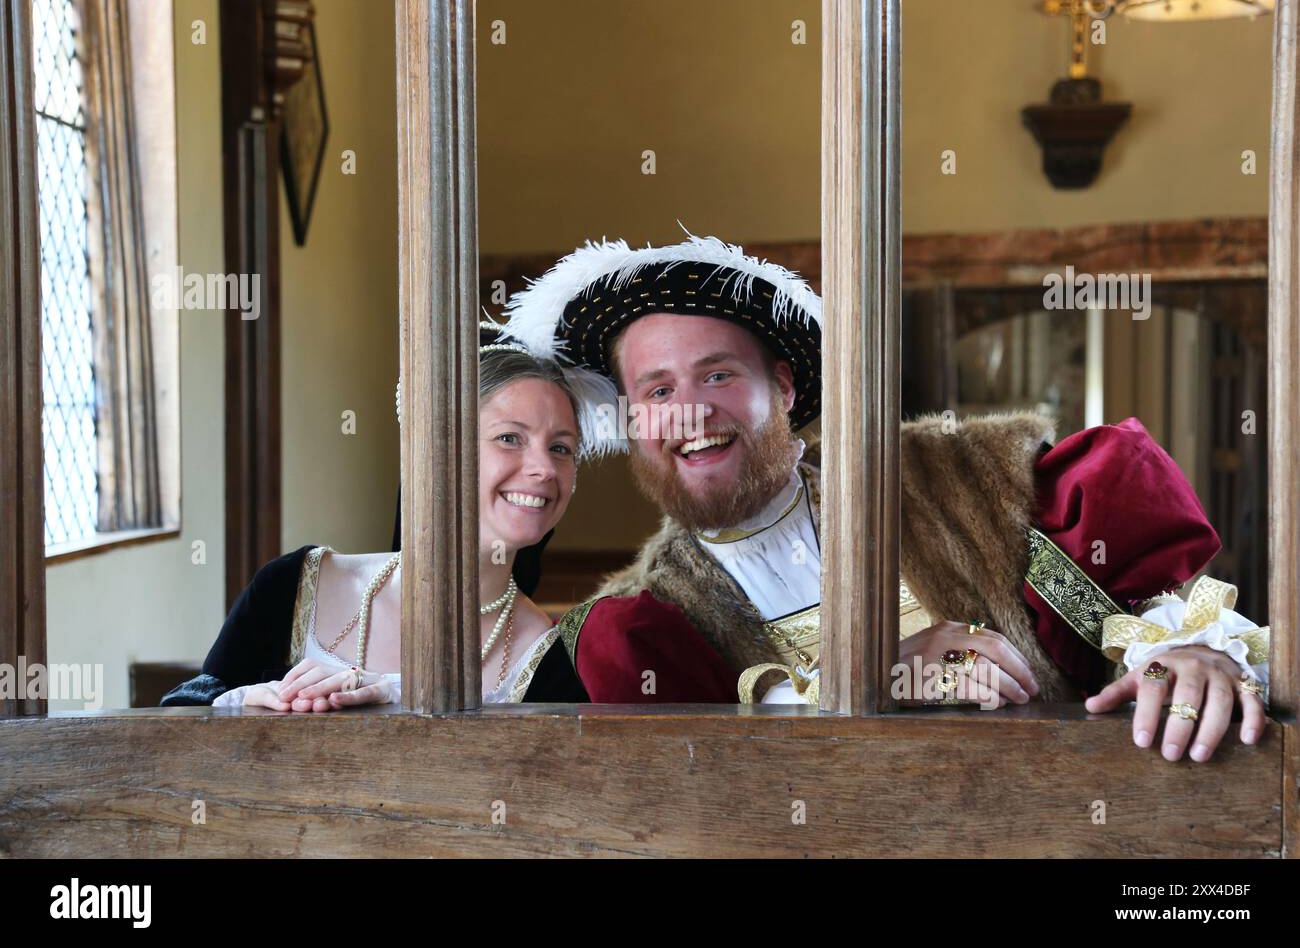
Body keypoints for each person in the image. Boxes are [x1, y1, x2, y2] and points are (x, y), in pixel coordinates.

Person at [503, 233, 1270, 761]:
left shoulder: (975, 473)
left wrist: (1188, 650)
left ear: (785, 385)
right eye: (658, 390)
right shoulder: (642, 630)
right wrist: (878, 678)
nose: (692, 414)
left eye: (719, 375)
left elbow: (1146, 617)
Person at [161, 323, 590, 709]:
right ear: (439, 448)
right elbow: (177, 727)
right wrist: (245, 702)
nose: (544, 469)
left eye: (561, 448)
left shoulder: (551, 660)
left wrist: (396, 693)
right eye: (510, 437)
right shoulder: (290, 588)